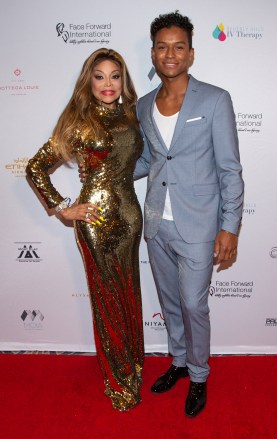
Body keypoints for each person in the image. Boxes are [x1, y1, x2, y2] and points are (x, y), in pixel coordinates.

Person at [133, 11, 244, 418]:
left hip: (199, 223)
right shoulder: (144, 105)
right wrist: (109, 172)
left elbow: (230, 168)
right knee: (171, 300)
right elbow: (148, 160)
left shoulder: (215, 99)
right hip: (156, 221)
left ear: (191, 54)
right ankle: (179, 362)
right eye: (162, 47)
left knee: (194, 304)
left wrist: (229, 227)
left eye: (178, 46)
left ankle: (199, 375)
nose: (170, 54)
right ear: (153, 53)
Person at [26, 48, 144, 411]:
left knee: (129, 292)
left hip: (130, 217)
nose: (108, 84)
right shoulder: (79, 121)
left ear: (123, 80)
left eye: (115, 75)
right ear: (88, 81)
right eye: (99, 76)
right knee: (107, 298)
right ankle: (118, 378)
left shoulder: (132, 115)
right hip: (94, 220)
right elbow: (35, 168)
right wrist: (64, 210)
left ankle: (134, 366)